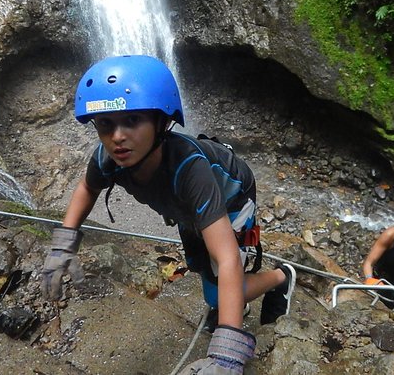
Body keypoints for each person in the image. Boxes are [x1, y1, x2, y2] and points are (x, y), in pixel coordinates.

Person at [40, 55, 296, 374]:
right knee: (203, 267)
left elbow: (228, 257)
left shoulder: (190, 170)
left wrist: (226, 355)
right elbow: (87, 188)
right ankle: (232, 300)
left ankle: (281, 277)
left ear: (162, 122)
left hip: (231, 194)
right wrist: (63, 244)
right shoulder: (107, 158)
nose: (117, 136)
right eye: (105, 124)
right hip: (187, 207)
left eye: (132, 120)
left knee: (217, 288)